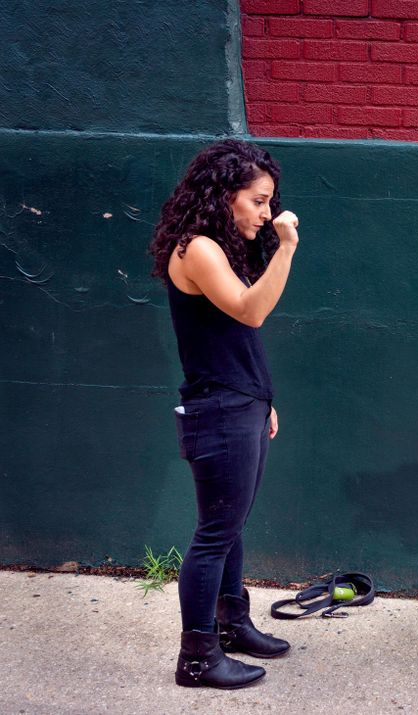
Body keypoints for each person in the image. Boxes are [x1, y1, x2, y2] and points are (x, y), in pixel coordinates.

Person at [149, 139, 299, 689]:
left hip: (241, 403)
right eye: (258, 201)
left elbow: (231, 337)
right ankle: (197, 658)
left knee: (230, 527)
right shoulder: (198, 249)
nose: (266, 213)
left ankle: (232, 624)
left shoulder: (220, 248)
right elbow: (251, 311)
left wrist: (263, 399)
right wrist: (285, 247)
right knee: (215, 533)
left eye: (269, 203)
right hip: (218, 410)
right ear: (224, 194)